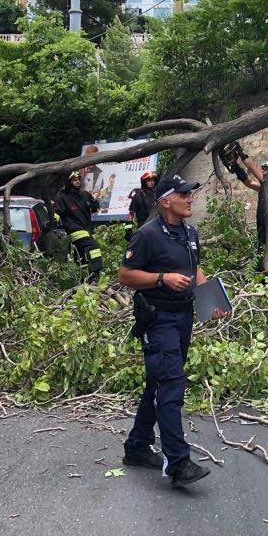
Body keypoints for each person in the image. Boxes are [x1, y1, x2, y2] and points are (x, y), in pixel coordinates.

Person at [118, 173, 218, 488]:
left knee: (158, 383)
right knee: (171, 386)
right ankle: (177, 463)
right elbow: (125, 275)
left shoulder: (190, 232)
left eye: (190, 194)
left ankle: (136, 447)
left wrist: (209, 299)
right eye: (184, 195)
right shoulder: (147, 235)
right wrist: (162, 279)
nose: (191, 199)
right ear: (166, 201)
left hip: (183, 318)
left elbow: (195, 267)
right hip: (157, 318)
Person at [220, 142, 268, 251]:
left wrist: (240, 151)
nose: (262, 171)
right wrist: (236, 166)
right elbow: (248, 182)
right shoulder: (265, 188)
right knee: (261, 254)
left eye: (266, 169)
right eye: (262, 168)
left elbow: (252, 167)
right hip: (262, 230)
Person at [53, 170, 102, 284]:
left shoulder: (84, 195)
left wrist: (94, 204)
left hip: (86, 228)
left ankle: (81, 279)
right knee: (93, 246)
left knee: (80, 257)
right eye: (74, 180)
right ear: (69, 182)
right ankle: (95, 275)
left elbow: (95, 206)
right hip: (74, 229)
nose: (77, 182)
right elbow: (56, 212)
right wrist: (53, 222)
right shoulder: (63, 198)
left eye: (78, 179)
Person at [125, 171, 159, 241]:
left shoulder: (157, 196)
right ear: (144, 182)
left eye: (153, 180)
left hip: (157, 228)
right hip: (143, 228)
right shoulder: (137, 196)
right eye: (149, 180)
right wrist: (128, 230)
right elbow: (131, 214)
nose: (152, 182)